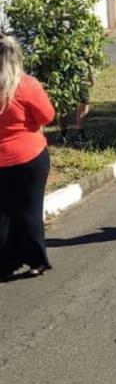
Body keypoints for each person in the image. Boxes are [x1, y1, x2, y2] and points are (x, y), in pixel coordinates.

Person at [0, 35, 55, 279]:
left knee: (2, 214)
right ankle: (36, 261)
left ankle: (4, 264)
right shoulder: (26, 84)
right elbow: (47, 116)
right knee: (30, 210)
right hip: (29, 157)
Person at [59, 67, 94, 146]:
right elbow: (88, 60)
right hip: (76, 78)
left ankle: (66, 135)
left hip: (67, 77)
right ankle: (75, 135)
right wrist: (91, 78)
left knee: (65, 106)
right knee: (81, 104)